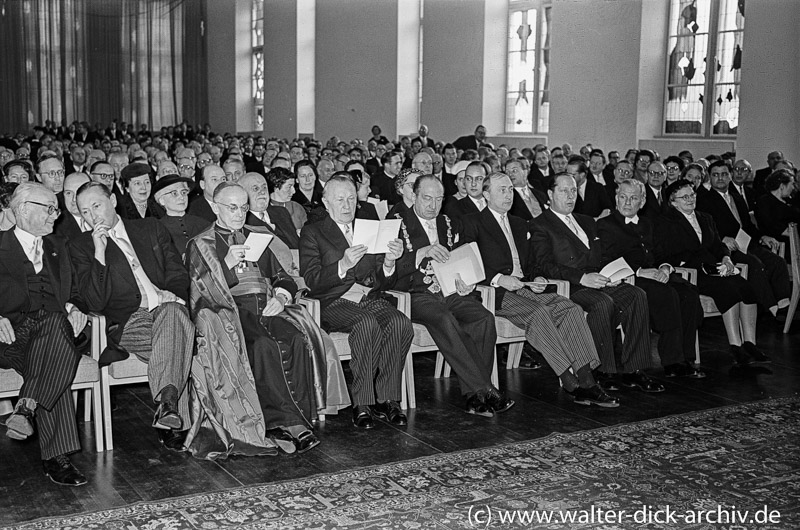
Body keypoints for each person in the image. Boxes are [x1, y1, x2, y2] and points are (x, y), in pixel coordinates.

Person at [185, 183, 331, 458]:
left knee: (296, 338)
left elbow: (282, 276)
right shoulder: (201, 243)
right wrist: (225, 264)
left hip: (267, 307)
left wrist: (283, 296)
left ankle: (297, 417)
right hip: (230, 313)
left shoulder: (257, 236)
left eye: (243, 207)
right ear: (215, 207)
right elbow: (199, 292)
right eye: (232, 207)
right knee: (262, 344)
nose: (240, 213)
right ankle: (286, 422)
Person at [462, 173, 617, 407]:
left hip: (524, 287)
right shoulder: (472, 222)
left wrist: (538, 277)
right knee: (538, 313)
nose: (508, 195)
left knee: (570, 308)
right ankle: (568, 379)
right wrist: (499, 279)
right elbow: (467, 263)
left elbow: (531, 262)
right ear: (486, 194)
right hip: (495, 293)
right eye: (502, 190)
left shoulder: (518, 223)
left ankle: (587, 379)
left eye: (510, 190)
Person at [71, 182, 195, 451]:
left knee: (174, 313)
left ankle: (167, 405)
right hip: (127, 321)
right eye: (85, 212)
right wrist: (99, 253)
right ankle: (177, 412)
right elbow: (93, 301)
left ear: (113, 200)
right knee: (189, 342)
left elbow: (176, 270)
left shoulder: (149, 227)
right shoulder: (81, 246)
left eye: (97, 206)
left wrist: (171, 293)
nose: (92, 216)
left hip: (167, 309)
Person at [529, 174, 664, 393]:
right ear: (551, 194)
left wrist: (611, 274)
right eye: (563, 191)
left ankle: (635, 370)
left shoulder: (586, 221)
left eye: (573, 190)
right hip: (568, 285)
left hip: (598, 279)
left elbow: (602, 256)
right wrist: (582, 278)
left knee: (636, 294)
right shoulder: (540, 225)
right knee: (602, 302)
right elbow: (543, 265)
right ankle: (604, 370)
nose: (570, 196)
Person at [300, 175, 413, 429]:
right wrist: (342, 265)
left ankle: (388, 398)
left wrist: (389, 262)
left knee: (400, 323)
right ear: (326, 203)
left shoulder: (368, 228)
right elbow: (312, 280)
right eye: (339, 199)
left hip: (368, 297)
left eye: (351, 198)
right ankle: (362, 402)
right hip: (333, 300)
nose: (347, 205)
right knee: (367, 323)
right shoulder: (313, 232)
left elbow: (384, 283)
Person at [394, 175, 512, 416]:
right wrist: (422, 252)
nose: (433, 205)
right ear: (414, 196)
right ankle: (486, 388)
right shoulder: (397, 222)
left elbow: (458, 258)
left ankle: (475, 396)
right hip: (415, 293)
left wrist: (465, 281)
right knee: (445, 318)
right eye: (427, 198)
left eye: (439, 199)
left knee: (483, 318)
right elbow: (390, 269)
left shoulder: (447, 222)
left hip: (449, 290)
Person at [0, 183, 89, 486]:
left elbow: (75, 292)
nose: (57, 215)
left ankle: (26, 406)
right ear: (24, 209)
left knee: (54, 327)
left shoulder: (58, 245)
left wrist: (76, 307)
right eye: (50, 208)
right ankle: (55, 458)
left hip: (57, 329)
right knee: (56, 357)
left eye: (57, 208)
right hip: (11, 336)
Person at [597, 179, 705, 378]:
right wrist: (639, 271)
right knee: (667, 294)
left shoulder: (649, 224)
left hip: (654, 274)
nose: (627, 203)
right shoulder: (606, 225)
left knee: (688, 293)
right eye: (623, 197)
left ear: (643, 201)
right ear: (616, 198)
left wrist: (664, 267)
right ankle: (672, 360)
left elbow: (662, 253)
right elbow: (608, 260)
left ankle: (686, 357)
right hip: (627, 279)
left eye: (633, 198)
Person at [655, 179, 766, 366]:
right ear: (673, 202)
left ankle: (750, 343)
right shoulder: (666, 222)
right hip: (690, 271)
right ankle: (735, 345)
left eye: (692, 195)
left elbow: (718, 245)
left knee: (746, 286)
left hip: (714, 267)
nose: (690, 199)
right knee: (727, 289)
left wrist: (726, 258)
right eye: (685, 197)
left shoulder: (705, 217)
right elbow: (669, 253)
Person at [696, 160, 790, 317]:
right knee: (754, 264)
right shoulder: (704, 200)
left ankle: (784, 305)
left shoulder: (737, 197)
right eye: (715, 175)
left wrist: (762, 236)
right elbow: (703, 229)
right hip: (726, 249)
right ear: (709, 177)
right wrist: (721, 239)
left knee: (777, 262)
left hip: (746, 243)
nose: (720, 178)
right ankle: (772, 309)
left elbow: (748, 226)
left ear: (730, 175)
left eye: (724, 174)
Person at [239, 172, 300, 248]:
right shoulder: (242, 221)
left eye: (264, 187)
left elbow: (296, 243)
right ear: (242, 194)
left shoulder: (281, 212)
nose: (262, 192)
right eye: (255, 189)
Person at [152, 174, 208, 256]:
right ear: (161, 200)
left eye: (184, 192)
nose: (181, 197)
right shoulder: (157, 229)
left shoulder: (204, 224)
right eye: (174, 193)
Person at [755, 169, 800, 244]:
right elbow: (771, 226)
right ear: (782, 186)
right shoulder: (764, 201)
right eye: (792, 184)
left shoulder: (789, 200)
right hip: (780, 243)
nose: (793, 188)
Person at [267, 167, 307, 232]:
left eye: (293, 186)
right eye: (289, 187)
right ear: (276, 187)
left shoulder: (297, 207)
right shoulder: (265, 210)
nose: (293, 191)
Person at [54, 172, 91, 240]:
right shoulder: (55, 226)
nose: (74, 199)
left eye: (79, 192)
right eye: (69, 193)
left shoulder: (104, 218)